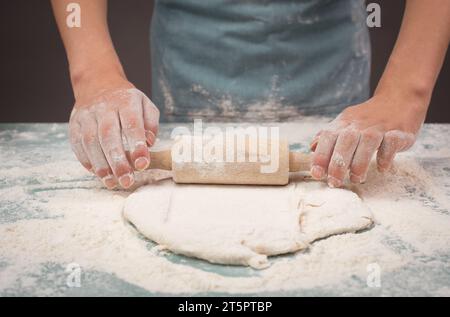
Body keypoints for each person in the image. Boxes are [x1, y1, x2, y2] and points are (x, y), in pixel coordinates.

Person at [51, 0, 450, 189]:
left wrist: (405, 91)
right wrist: (95, 76)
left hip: (326, 59)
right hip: (190, 59)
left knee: (339, 158)